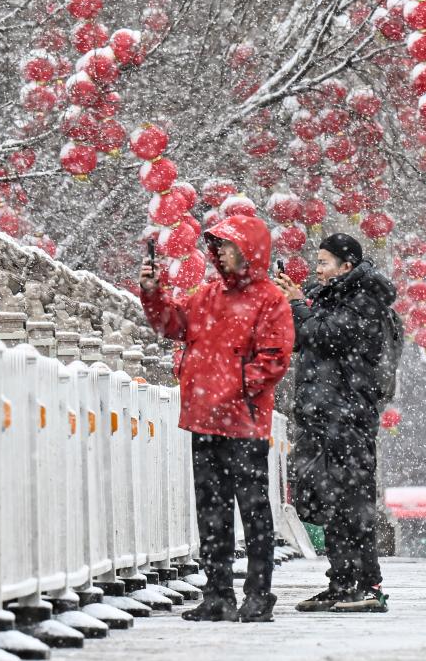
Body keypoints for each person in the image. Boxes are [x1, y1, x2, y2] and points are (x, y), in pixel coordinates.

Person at [139, 214, 294, 623]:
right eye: (219, 246)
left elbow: (275, 359)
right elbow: (172, 324)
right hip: (206, 419)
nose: (220, 253)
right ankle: (218, 593)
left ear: (248, 251)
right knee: (212, 509)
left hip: (243, 421)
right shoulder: (207, 295)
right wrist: (153, 294)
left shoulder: (270, 300)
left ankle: (258, 593)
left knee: (253, 509)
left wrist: (232, 387)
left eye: (228, 246)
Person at [274, 233, 399, 613]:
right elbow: (301, 339)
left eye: (324, 262)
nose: (317, 268)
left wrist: (299, 304)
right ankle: (341, 582)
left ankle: (367, 585)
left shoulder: (365, 299)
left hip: (349, 416)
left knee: (353, 502)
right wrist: (296, 304)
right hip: (322, 417)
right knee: (330, 501)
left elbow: (327, 335)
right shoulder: (328, 297)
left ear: (346, 266)